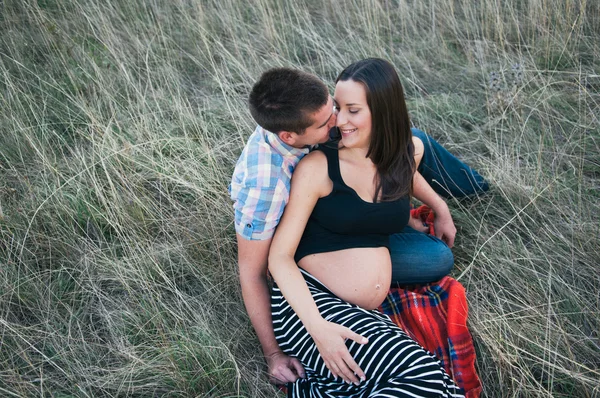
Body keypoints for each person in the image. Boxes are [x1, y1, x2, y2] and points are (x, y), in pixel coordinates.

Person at [229, 66, 488, 385]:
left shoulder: (320, 117)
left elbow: (391, 158)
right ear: (291, 137)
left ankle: (477, 188)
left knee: (411, 141)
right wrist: (274, 354)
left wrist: (440, 206)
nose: (337, 121)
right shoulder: (265, 184)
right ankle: (393, 212)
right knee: (436, 256)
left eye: (338, 107)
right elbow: (255, 269)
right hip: (318, 246)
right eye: (328, 122)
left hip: (352, 218)